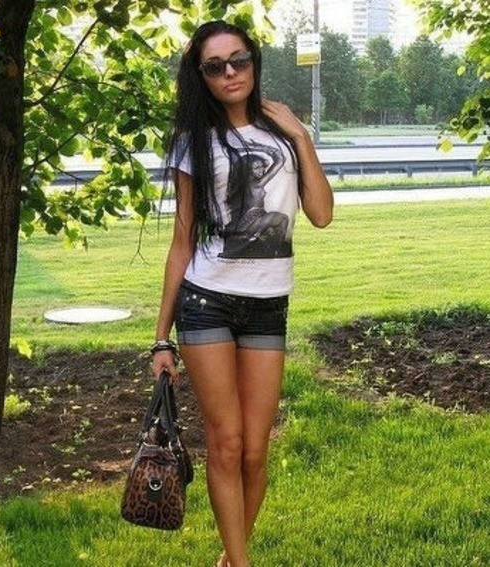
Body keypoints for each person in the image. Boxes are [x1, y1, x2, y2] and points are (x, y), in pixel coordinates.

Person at [150, 20, 333, 567]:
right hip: (207, 301)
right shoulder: (194, 140)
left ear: (254, 62)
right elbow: (182, 241)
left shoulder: (283, 131)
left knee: (256, 450)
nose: (230, 72)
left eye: (240, 60)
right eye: (215, 66)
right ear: (201, 76)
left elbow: (321, 214)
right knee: (226, 442)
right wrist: (160, 338)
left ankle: (230, 559)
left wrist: (301, 137)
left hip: (268, 306)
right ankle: (239, 562)